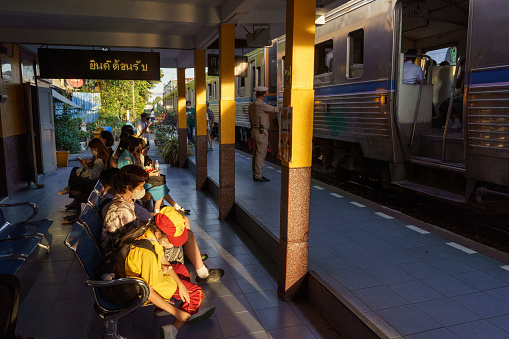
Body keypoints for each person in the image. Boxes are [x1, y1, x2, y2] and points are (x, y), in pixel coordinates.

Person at [117, 222, 216, 339]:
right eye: (170, 241)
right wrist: (176, 312)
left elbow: (164, 262)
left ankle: (167, 308)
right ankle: (173, 329)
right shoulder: (147, 254)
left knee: (181, 269)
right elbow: (148, 291)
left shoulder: (151, 234)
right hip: (146, 286)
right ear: (159, 233)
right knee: (196, 293)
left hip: (153, 272)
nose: (172, 245)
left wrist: (180, 284)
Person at [60, 138, 110, 223]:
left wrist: (86, 167)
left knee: (75, 178)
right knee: (74, 171)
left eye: (92, 150)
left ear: (97, 148)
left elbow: (93, 175)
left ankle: (70, 189)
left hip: (93, 183)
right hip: (95, 181)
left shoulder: (99, 160)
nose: (92, 152)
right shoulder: (99, 158)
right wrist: (89, 164)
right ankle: (70, 189)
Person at [102, 165, 150, 249]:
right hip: (120, 253)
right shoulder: (122, 210)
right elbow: (130, 241)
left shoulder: (124, 201)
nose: (143, 189)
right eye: (140, 186)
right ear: (128, 186)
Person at [248, 86, 278, 182]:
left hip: (254, 131)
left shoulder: (252, 105)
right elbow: (274, 109)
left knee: (255, 154)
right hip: (261, 132)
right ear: (264, 95)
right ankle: (258, 175)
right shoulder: (260, 105)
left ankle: (255, 173)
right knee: (260, 154)